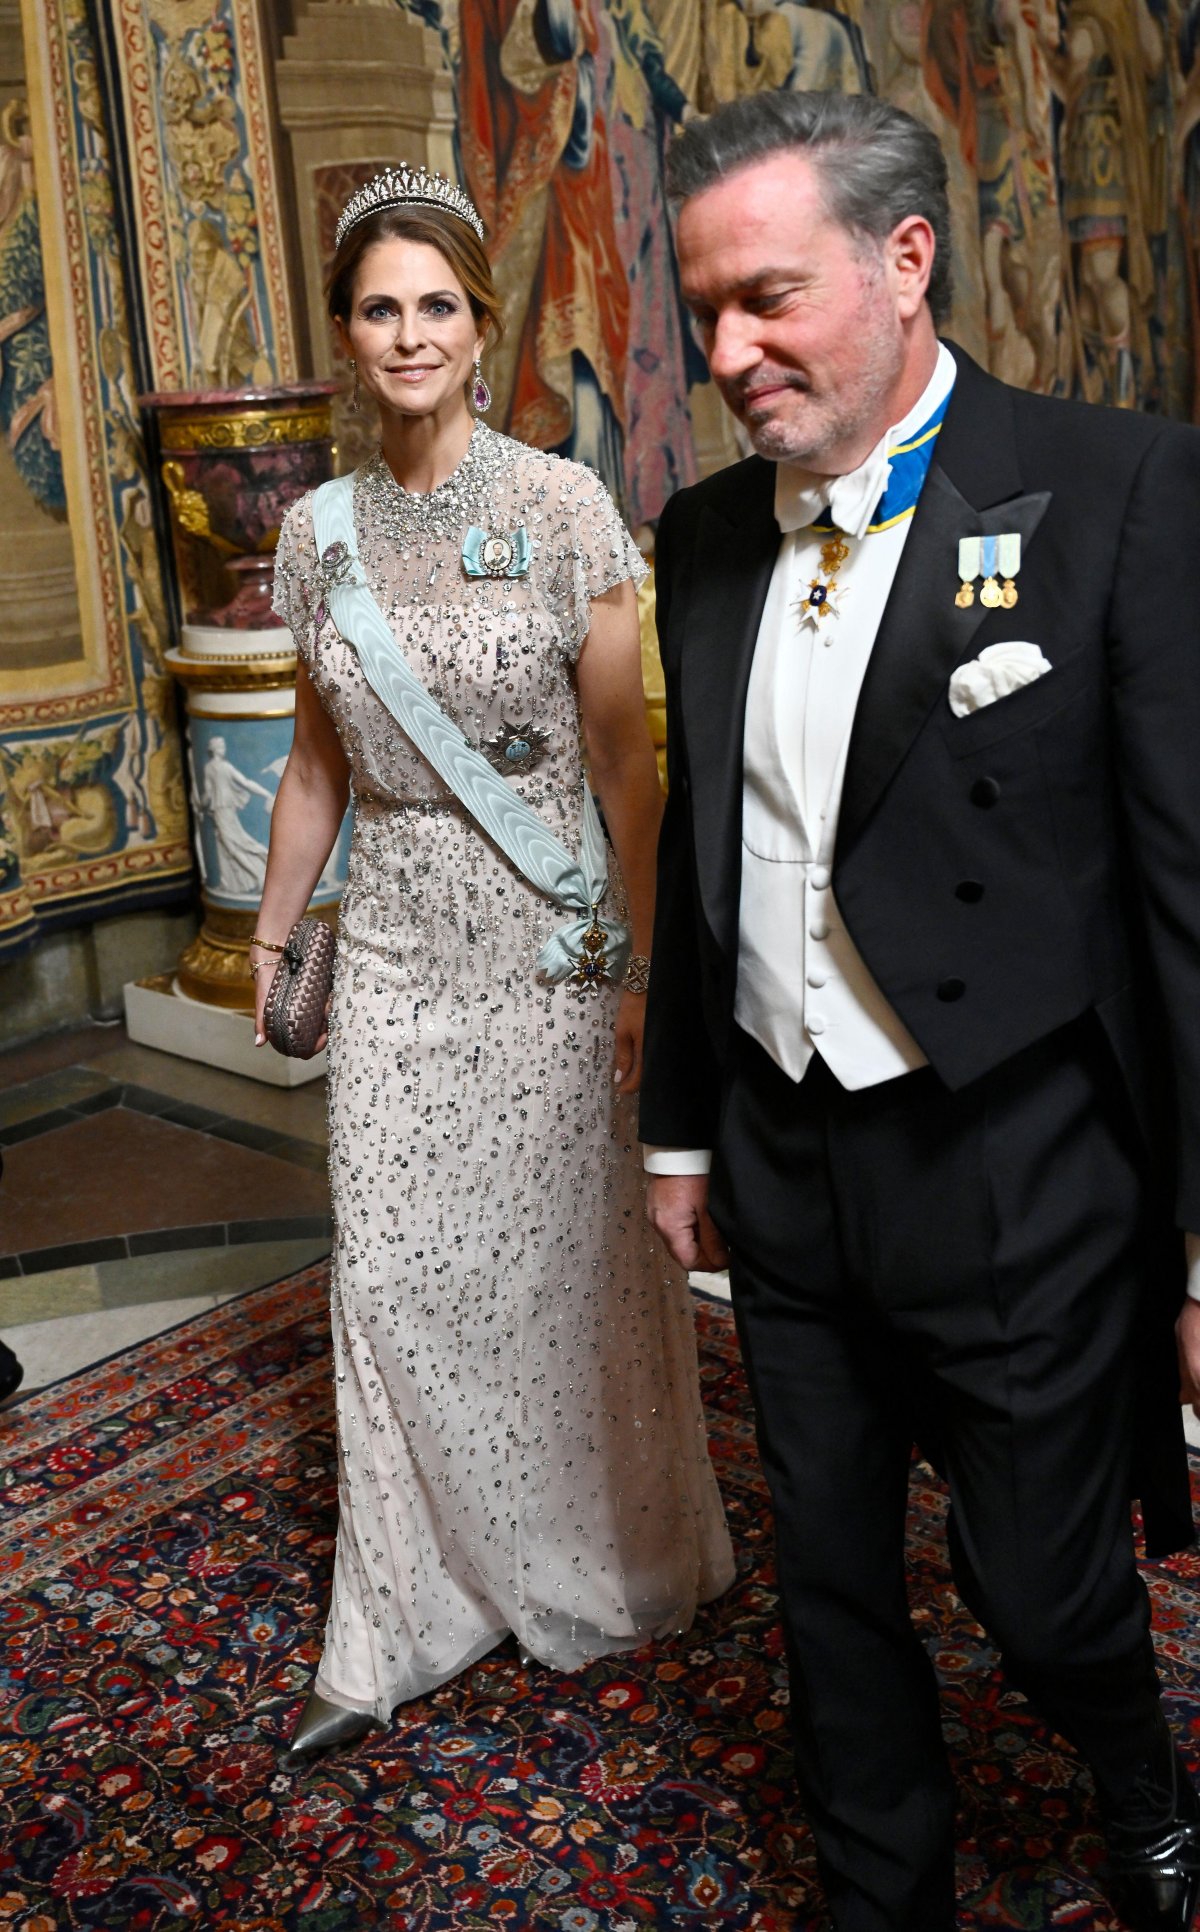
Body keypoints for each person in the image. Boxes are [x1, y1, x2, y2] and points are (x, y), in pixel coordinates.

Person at [641, 88, 1200, 1932]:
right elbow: (697, 864)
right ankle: (889, 1889)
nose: (728, 351)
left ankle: (1137, 1773)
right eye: (704, 305)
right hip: (789, 1151)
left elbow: (1187, 908)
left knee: (1041, 1586)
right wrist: (679, 1129)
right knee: (829, 1568)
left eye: (770, 299)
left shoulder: (1118, 490)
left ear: (904, 259)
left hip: (1012, 1149)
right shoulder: (708, 533)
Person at [253, 164, 733, 1756]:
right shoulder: (315, 536)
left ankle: (600, 1550)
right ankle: (392, 1620)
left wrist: (648, 982)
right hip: (389, 942)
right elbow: (318, 765)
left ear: (480, 328)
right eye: (380, 308)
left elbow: (628, 769)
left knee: (555, 1271)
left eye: (436, 307)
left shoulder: (561, 507)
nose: (409, 334)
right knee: (386, 1274)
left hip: (548, 942)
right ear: (347, 334)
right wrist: (273, 938)